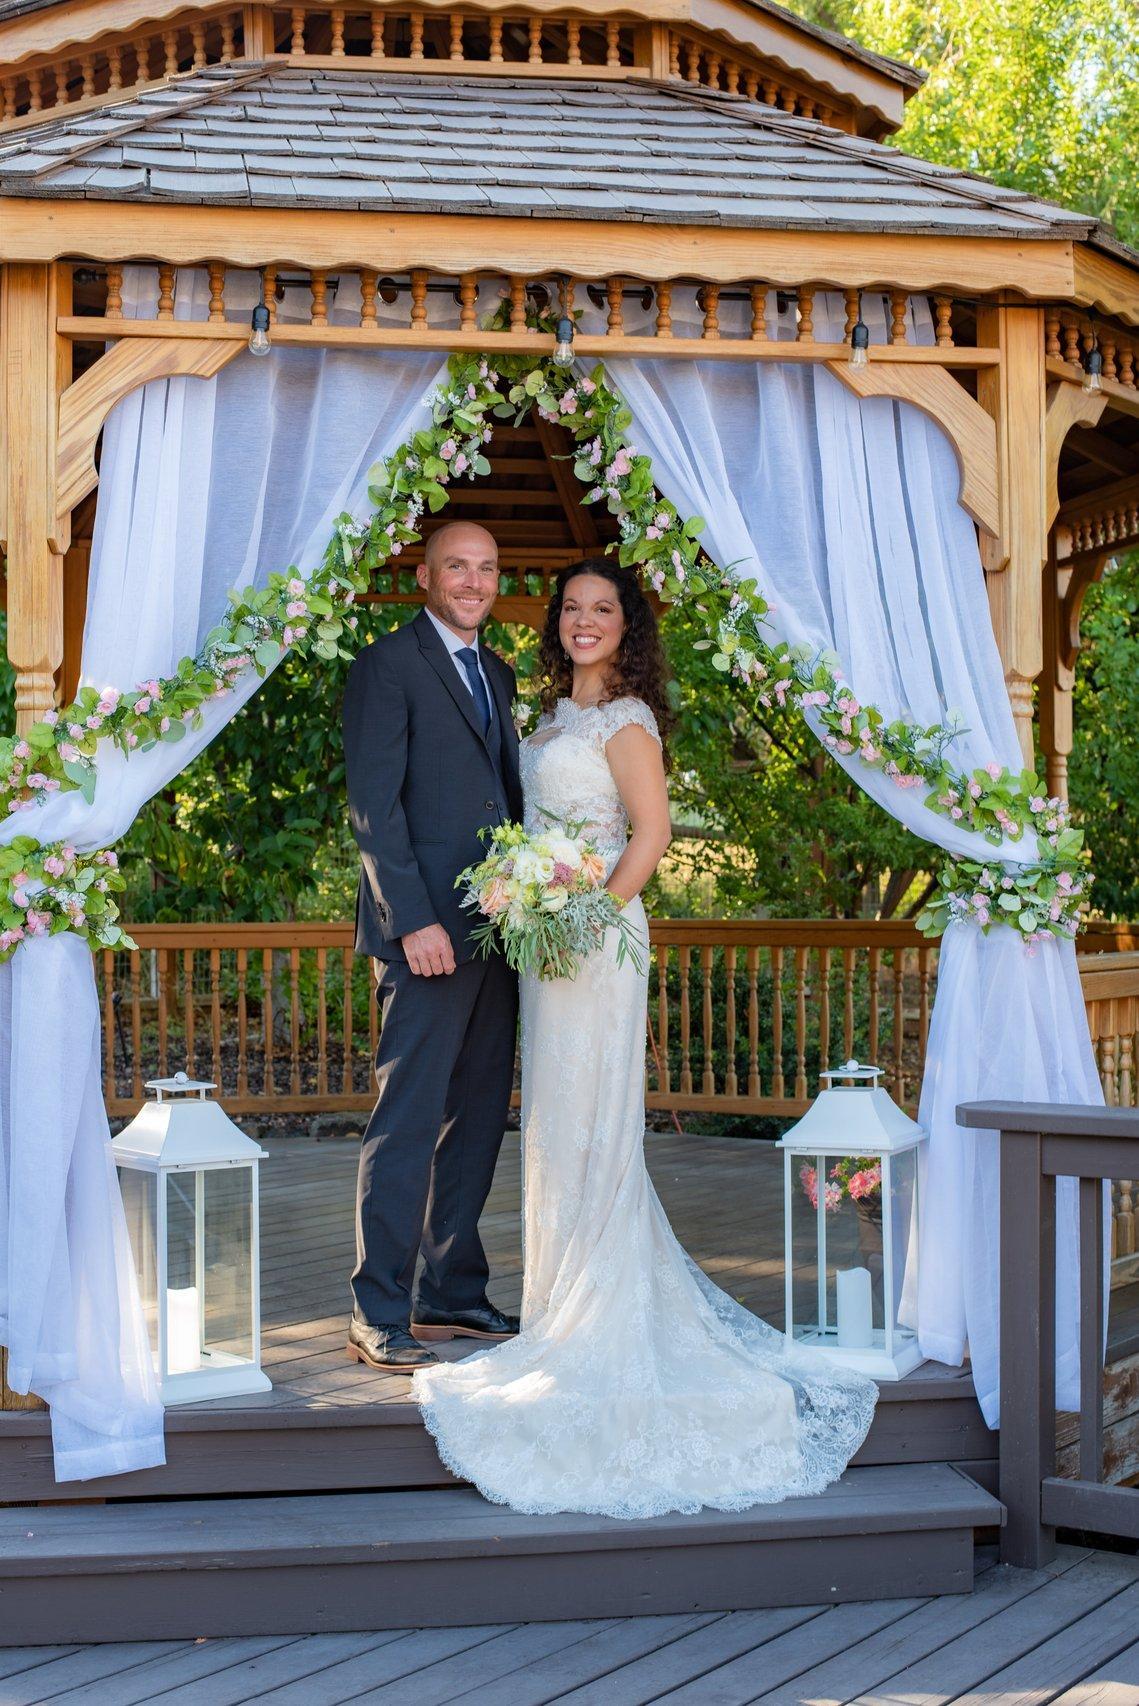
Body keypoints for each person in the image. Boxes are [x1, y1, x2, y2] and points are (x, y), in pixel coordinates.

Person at [413, 558, 877, 1517]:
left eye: (603, 609)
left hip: (597, 938)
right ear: (556, 621)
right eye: (572, 608)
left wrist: (585, 917)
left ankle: (600, 1314)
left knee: (592, 1118)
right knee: (554, 1124)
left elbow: (651, 833)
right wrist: (527, 899)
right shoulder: (549, 717)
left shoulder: (626, 721)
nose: (584, 621)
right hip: (546, 942)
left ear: (628, 627)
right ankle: (560, 1310)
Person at [342, 521, 523, 1369]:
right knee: (408, 1121)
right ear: (425, 575)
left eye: (486, 568)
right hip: (424, 935)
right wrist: (411, 920)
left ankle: (449, 1291)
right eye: (457, 566)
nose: (473, 581)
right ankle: (377, 1308)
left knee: (477, 1120)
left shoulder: (499, 673)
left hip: (499, 932)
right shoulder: (387, 666)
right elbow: (374, 808)